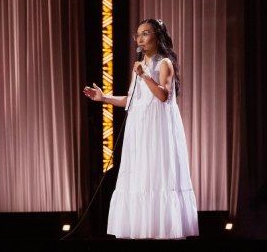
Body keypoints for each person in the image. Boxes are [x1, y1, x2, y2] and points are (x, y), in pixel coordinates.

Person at [83, 19, 199, 240]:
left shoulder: (164, 63)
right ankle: (142, 232)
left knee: (157, 177)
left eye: (146, 34)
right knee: (140, 177)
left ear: (158, 36)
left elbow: (164, 95)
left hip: (158, 131)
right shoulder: (139, 68)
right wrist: (103, 98)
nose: (141, 39)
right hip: (140, 131)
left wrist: (145, 74)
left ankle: (162, 232)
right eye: (138, 35)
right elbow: (132, 99)